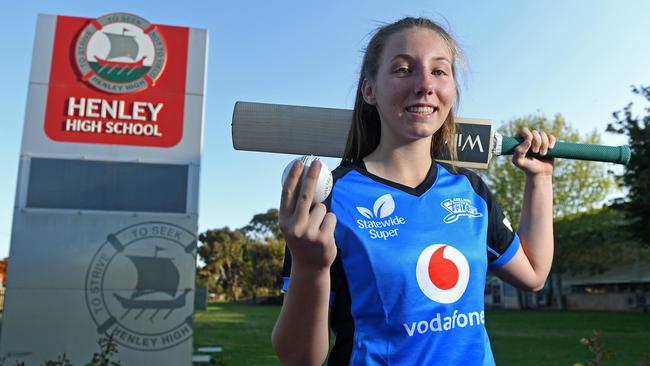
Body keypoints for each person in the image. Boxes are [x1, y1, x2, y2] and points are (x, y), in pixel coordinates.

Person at [272, 17, 556, 365]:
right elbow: (300, 360)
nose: (425, 85)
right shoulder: (331, 202)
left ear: (452, 88)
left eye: (440, 71)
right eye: (404, 69)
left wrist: (540, 180)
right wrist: (309, 266)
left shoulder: (470, 190)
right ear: (369, 91)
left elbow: (534, 275)